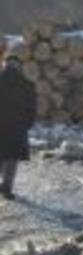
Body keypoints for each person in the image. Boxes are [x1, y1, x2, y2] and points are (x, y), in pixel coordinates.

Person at [0, 54, 36, 200]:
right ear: (19, 66)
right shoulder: (26, 84)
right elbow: (32, 109)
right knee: (12, 158)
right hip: (17, 127)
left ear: (5, 64)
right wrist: (27, 124)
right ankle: (6, 189)